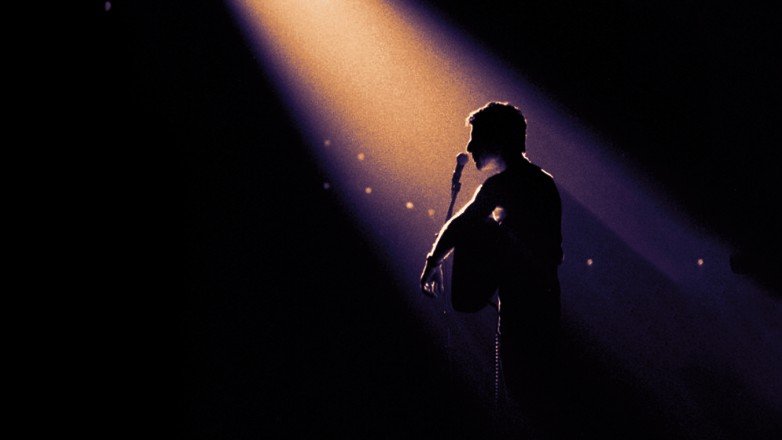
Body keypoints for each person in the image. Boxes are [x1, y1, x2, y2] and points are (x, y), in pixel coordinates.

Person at [420, 101, 563, 428]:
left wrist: (433, 263)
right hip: (537, 307)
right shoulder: (540, 183)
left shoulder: (509, 185)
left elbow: (461, 225)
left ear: (498, 139)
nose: (470, 147)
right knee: (528, 397)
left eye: (476, 138)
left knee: (524, 399)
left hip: (527, 311)